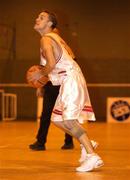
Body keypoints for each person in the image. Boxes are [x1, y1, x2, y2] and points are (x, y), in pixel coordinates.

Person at [31, 10, 104, 172]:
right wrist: (45, 78)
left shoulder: (46, 39)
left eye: (41, 18)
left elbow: (50, 64)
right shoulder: (56, 37)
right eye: (38, 17)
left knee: (69, 121)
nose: (37, 19)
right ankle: (87, 142)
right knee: (57, 119)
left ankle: (93, 157)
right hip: (68, 79)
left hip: (70, 78)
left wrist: (39, 74)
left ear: (50, 23)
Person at [29, 81, 74, 151]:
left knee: (66, 115)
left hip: (64, 87)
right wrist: (40, 86)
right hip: (49, 87)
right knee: (45, 115)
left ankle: (69, 141)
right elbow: (44, 73)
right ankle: (40, 143)